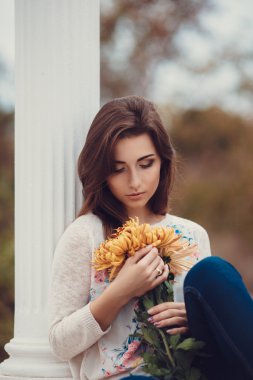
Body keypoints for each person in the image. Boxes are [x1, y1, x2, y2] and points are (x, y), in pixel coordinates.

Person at [48, 95, 211, 380]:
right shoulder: (85, 234)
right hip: (124, 377)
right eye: (117, 168)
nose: (134, 182)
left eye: (146, 164)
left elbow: (211, 340)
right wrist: (120, 291)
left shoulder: (193, 235)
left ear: (163, 162)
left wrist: (197, 321)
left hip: (190, 372)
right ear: (101, 171)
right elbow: (60, 344)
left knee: (218, 276)